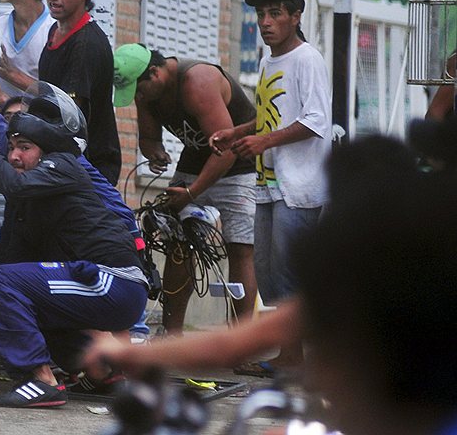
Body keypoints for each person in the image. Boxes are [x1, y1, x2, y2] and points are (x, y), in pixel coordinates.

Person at [87, 136, 457, 435]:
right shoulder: (357, 290)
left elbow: (232, 345)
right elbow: (233, 344)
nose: (314, 376)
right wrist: (136, 354)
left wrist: (126, 353)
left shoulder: (365, 295)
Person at [0, 82, 149, 408]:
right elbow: (5, 270)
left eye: (25, 147)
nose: (15, 156)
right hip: (100, 284)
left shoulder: (64, 167)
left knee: (5, 282)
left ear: (45, 151)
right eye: (11, 148)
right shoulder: (27, 204)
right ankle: (101, 371)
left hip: (117, 282)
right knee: (9, 283)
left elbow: (14, 184)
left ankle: (40, 380)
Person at [210, 0, 331, 376]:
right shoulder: (267, 62)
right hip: (267, 184)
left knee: (291, 272)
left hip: (299, 186)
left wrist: (263, 140)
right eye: (262, 14)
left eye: (276, 13)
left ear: (296, 17)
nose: (266, 22)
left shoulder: (307, 59)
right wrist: (239, 132)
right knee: (270, 272)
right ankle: (288, 354)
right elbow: (271, 115)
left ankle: (296, 358)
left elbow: (316, 120)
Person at [114, 43, 258, 334]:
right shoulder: (147, 92)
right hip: (194, 161)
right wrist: (154, 153)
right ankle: (172, 334)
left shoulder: (197, 81)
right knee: (178, 242)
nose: (138, 98)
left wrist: (191, 194)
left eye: (139, 90)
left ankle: (242, 342)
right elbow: (150, 138)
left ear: (154, 73)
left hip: (240, 161)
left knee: (240, 247)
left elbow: (227, 150)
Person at [19, 0, 121, 185]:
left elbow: (67, 116)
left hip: (88, 169)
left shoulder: (86, 44)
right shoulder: (56, 30)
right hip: (63, 162)